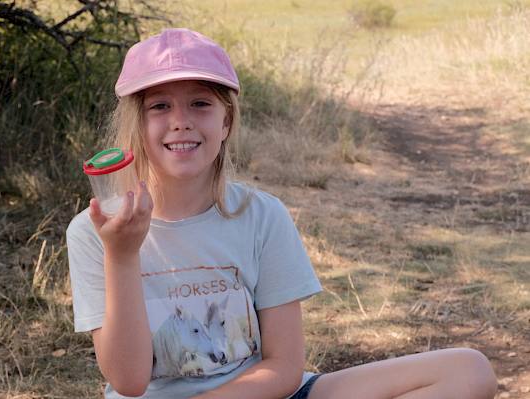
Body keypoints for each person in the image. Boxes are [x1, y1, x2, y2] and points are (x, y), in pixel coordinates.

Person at [66, 28, 497, 399]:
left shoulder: (261, 215)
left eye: (201, 103)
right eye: (159, 106)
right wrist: (121, 255)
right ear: (136, 125)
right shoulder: (96, 230)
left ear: (227, 122)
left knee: (467, 370)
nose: (181, 121)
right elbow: (128, 382)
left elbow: (285, 367)